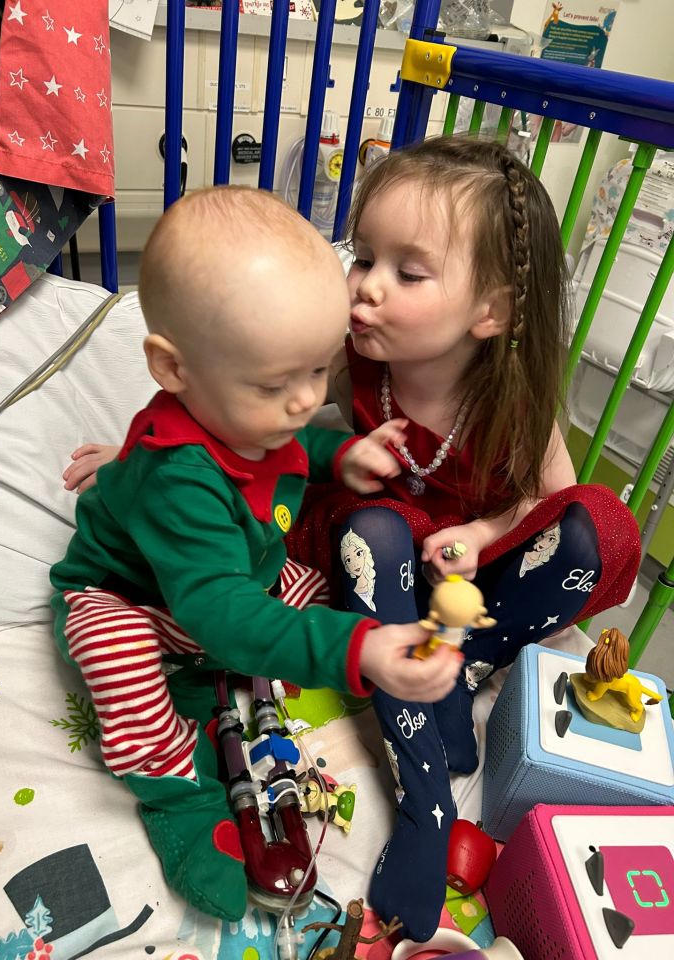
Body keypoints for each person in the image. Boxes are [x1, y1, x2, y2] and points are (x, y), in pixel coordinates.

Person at [64, 139, 641, 940]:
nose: (365, 287)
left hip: (447, 565)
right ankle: (406, 795)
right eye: (363, 256)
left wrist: (475, 529)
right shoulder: (344, 361)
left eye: (407, 272)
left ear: (492, 312)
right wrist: (132, 461)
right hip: (315, 562)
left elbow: (548, 499)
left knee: (597, 525)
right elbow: (230, 409)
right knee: (358, 539)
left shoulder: (503, 392)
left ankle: (462, 665)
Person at [50, 185, 463, 925]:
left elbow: (289, 441)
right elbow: (222, 614)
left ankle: (272, 670)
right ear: (173, 370)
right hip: (136, 599)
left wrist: (342, 455)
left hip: (225, 586)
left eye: (315, 371)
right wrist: (359, 650)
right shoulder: (178, 477)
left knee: (310, 584)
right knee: (109, 644)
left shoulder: (257, 416)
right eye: (278, 383)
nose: (306, 400)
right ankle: (180, 794)